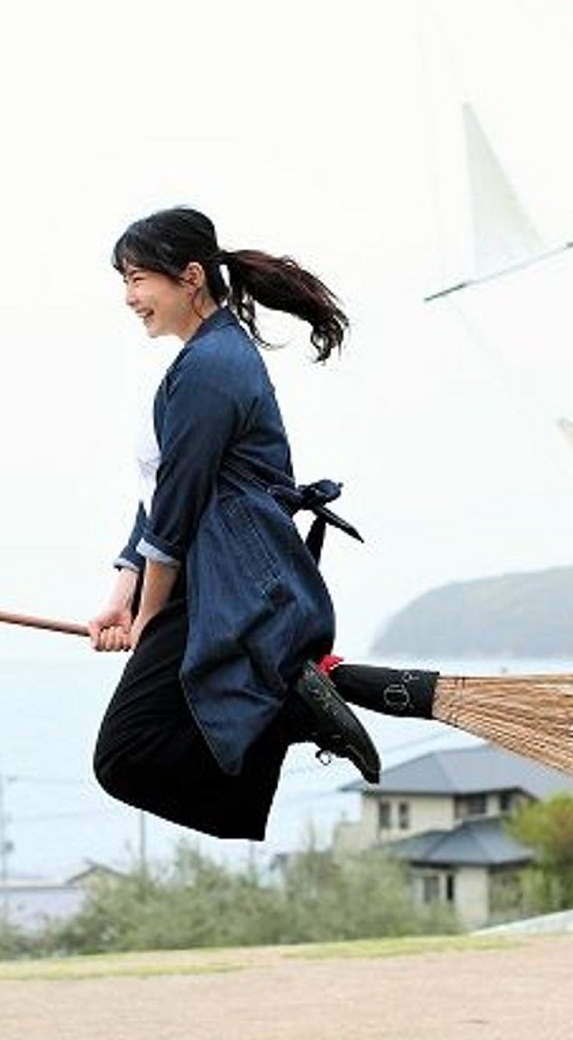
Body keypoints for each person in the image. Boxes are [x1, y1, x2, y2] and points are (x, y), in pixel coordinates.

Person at [87, 207, 380, 841]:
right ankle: (288, 706)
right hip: (209, 577)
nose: (130, 298)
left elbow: (176, 510)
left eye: (139, 279)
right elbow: (156, 496)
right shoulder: (201, 361)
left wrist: (149, 618)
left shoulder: (213, 366)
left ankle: (286, 707)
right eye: (125, 282)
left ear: (190, 277)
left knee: (125, 756)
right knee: (132, 756)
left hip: (224, 584)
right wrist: (120, 596)